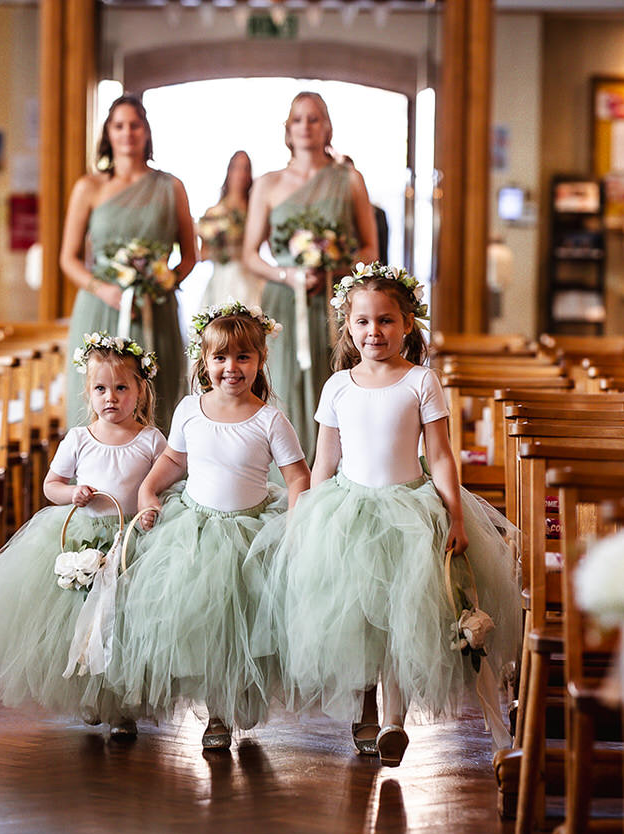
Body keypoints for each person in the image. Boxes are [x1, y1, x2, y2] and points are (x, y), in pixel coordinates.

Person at [250, 265, 521, 766]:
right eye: (363, 323)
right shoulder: (337, 386)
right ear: (348, 327)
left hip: (411, 511)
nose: (374, 332)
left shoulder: (421, 380)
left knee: (406, 619)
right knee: (356, 619)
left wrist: (456, 516)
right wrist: (307, 516)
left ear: (408, 323)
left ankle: (395, 722)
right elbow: (325, 460)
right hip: (348, 513)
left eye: (386, 321)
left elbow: (439, 455)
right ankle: (365, 712)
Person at [106, 304, 310, 750]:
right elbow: (173, 460)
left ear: (259, 362)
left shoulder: (270, 419)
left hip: (250, 534)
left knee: (243, 628)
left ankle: (227, 709)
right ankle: (201, 711)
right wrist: (148, 492)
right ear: (204, 361)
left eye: (242, 358)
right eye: (219, 358)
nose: (231, 368)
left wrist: (295, 525)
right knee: (197, 622)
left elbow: (297, 478)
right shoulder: (189, 410)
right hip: (194, 529)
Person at [0, 335, 166, 738]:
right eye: (101, 389)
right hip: (81, 537)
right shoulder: (79, 438)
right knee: (77, 624)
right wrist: (74, 494)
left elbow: (164, 487)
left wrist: (152, 511)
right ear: (88, 391)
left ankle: (122, 707)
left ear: (140, 390)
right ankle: (87, 696)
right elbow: (52, 484)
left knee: (122, 623)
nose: (111, 398)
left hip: (131, 541)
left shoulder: (152, 440)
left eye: (122, 388)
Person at [242, 92, 378, 456]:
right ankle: (288, 470)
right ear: (288, 129)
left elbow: (369, 248)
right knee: (284, 382)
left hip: (334, 299)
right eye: (298, 119)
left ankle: (334, 468)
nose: (306, 126)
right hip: (284, 301)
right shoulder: (268, 184)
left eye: (314, 118)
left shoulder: (349, 179)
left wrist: (335, 266)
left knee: (334, 380)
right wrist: (287, 275)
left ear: (327, 126)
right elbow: (250, 255)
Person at [60, 94, 196, 431]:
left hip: (155, 310)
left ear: (146, 132)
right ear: (108, 133)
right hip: (101, 307)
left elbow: (190, 256)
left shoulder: (171, 186)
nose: (127, 133)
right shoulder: (88, 187)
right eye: (119, 126)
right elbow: (68, 258)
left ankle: (157, 480)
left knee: (156, 392)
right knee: (101, 394)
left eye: (135, 125)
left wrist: (163, 281)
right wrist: (102, 290)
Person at [197, 151, 262, 309]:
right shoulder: (213, 213)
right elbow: (203, 254)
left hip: (248, 277)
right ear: (229, 171)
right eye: (237, 167)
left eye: (246, 168)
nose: (241, 173)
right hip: (221, 276)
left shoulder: (255, 211)